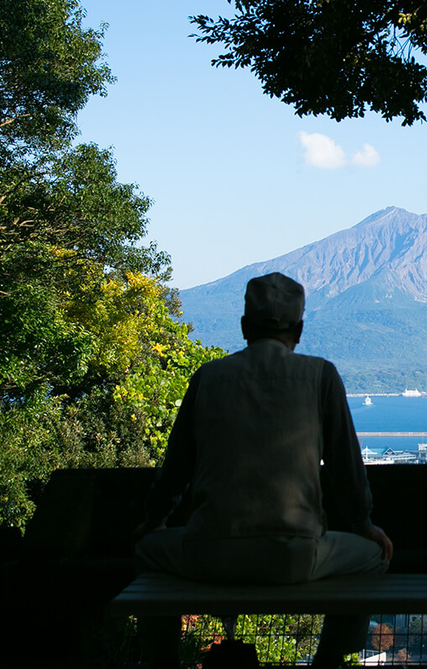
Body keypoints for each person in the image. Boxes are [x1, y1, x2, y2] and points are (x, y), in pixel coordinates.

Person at [134, 272, 393, 669]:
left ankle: (162, 661)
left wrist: (155, 520)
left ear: (243, 326)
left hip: (209, 553)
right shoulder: (321, 376)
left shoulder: (208, 377)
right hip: (293, 557)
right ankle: (327, 661)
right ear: (300, 330)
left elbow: (175, 470)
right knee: (376, 555)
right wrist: (363, 524)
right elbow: (346, 470)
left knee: (145, 549)